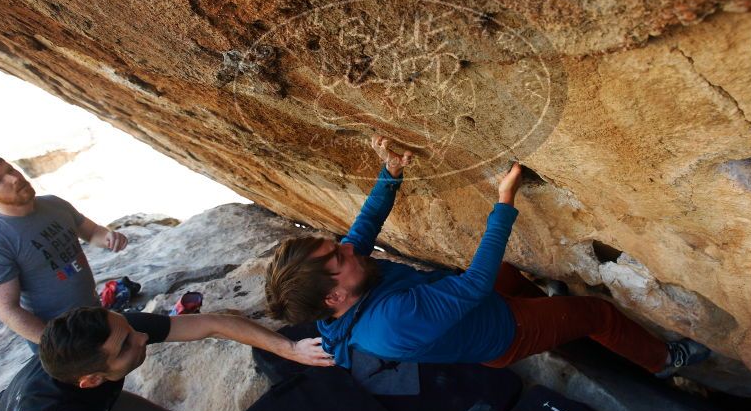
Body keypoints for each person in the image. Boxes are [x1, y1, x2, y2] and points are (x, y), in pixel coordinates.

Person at [265, 135, 710, 377]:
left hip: (477, 310)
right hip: (504, 332)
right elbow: (472, 288)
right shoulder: (388, 324)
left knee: (503, 272)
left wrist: (391, 172)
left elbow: (364, 228)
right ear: (333, 298)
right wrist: (504, 201)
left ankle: (545, 299)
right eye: (339, 256)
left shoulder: (342, 277)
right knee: (597, 314)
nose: (347, 247)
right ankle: (665, 361)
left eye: (337, 247)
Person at [0, 306, 334, 411]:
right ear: (91, 379)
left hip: (91, 403)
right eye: (126, 345)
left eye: (130, 329)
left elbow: (212, 323)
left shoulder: (118, 330)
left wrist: (289, 348)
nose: (142, 336)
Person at [0, 156, 128, 348]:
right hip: (59, 334)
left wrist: (108, 237)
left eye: (10, 170)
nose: (14, 178)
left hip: (94, 313)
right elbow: (7, 309)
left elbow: (92, 232)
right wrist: (55, 344)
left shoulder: (54, 204)